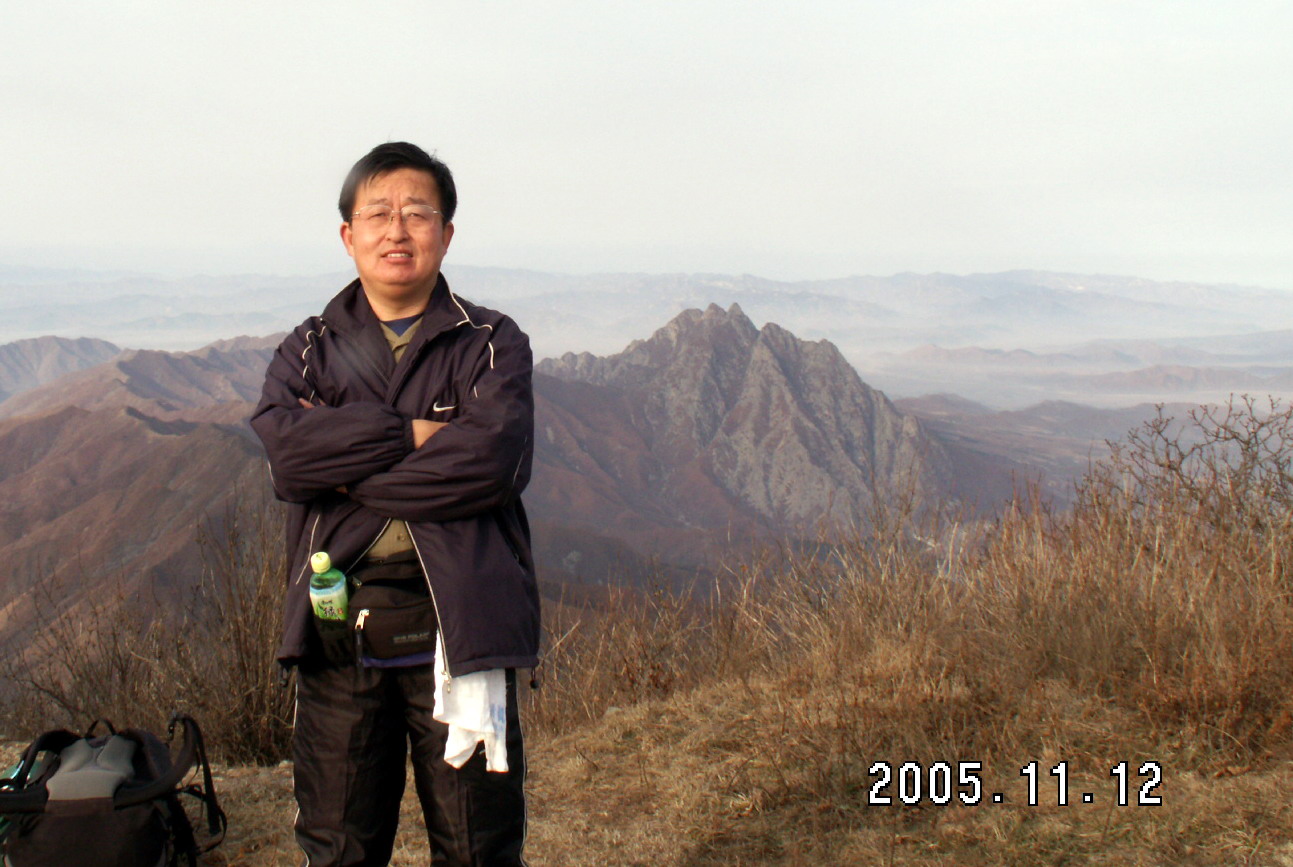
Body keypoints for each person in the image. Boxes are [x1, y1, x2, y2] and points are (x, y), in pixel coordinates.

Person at [250, 142, 539, 866]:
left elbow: (492, 465)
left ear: (447, 232)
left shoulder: (491, 343)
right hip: (338, 628)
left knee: (478, 846)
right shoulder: (309, 349)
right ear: (348, 235)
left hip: (461, 629)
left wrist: (344, 469)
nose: (397, 230)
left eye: (417, 213)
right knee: (338, 845)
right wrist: (410, 435)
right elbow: (288, 459)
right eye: (377, 213)